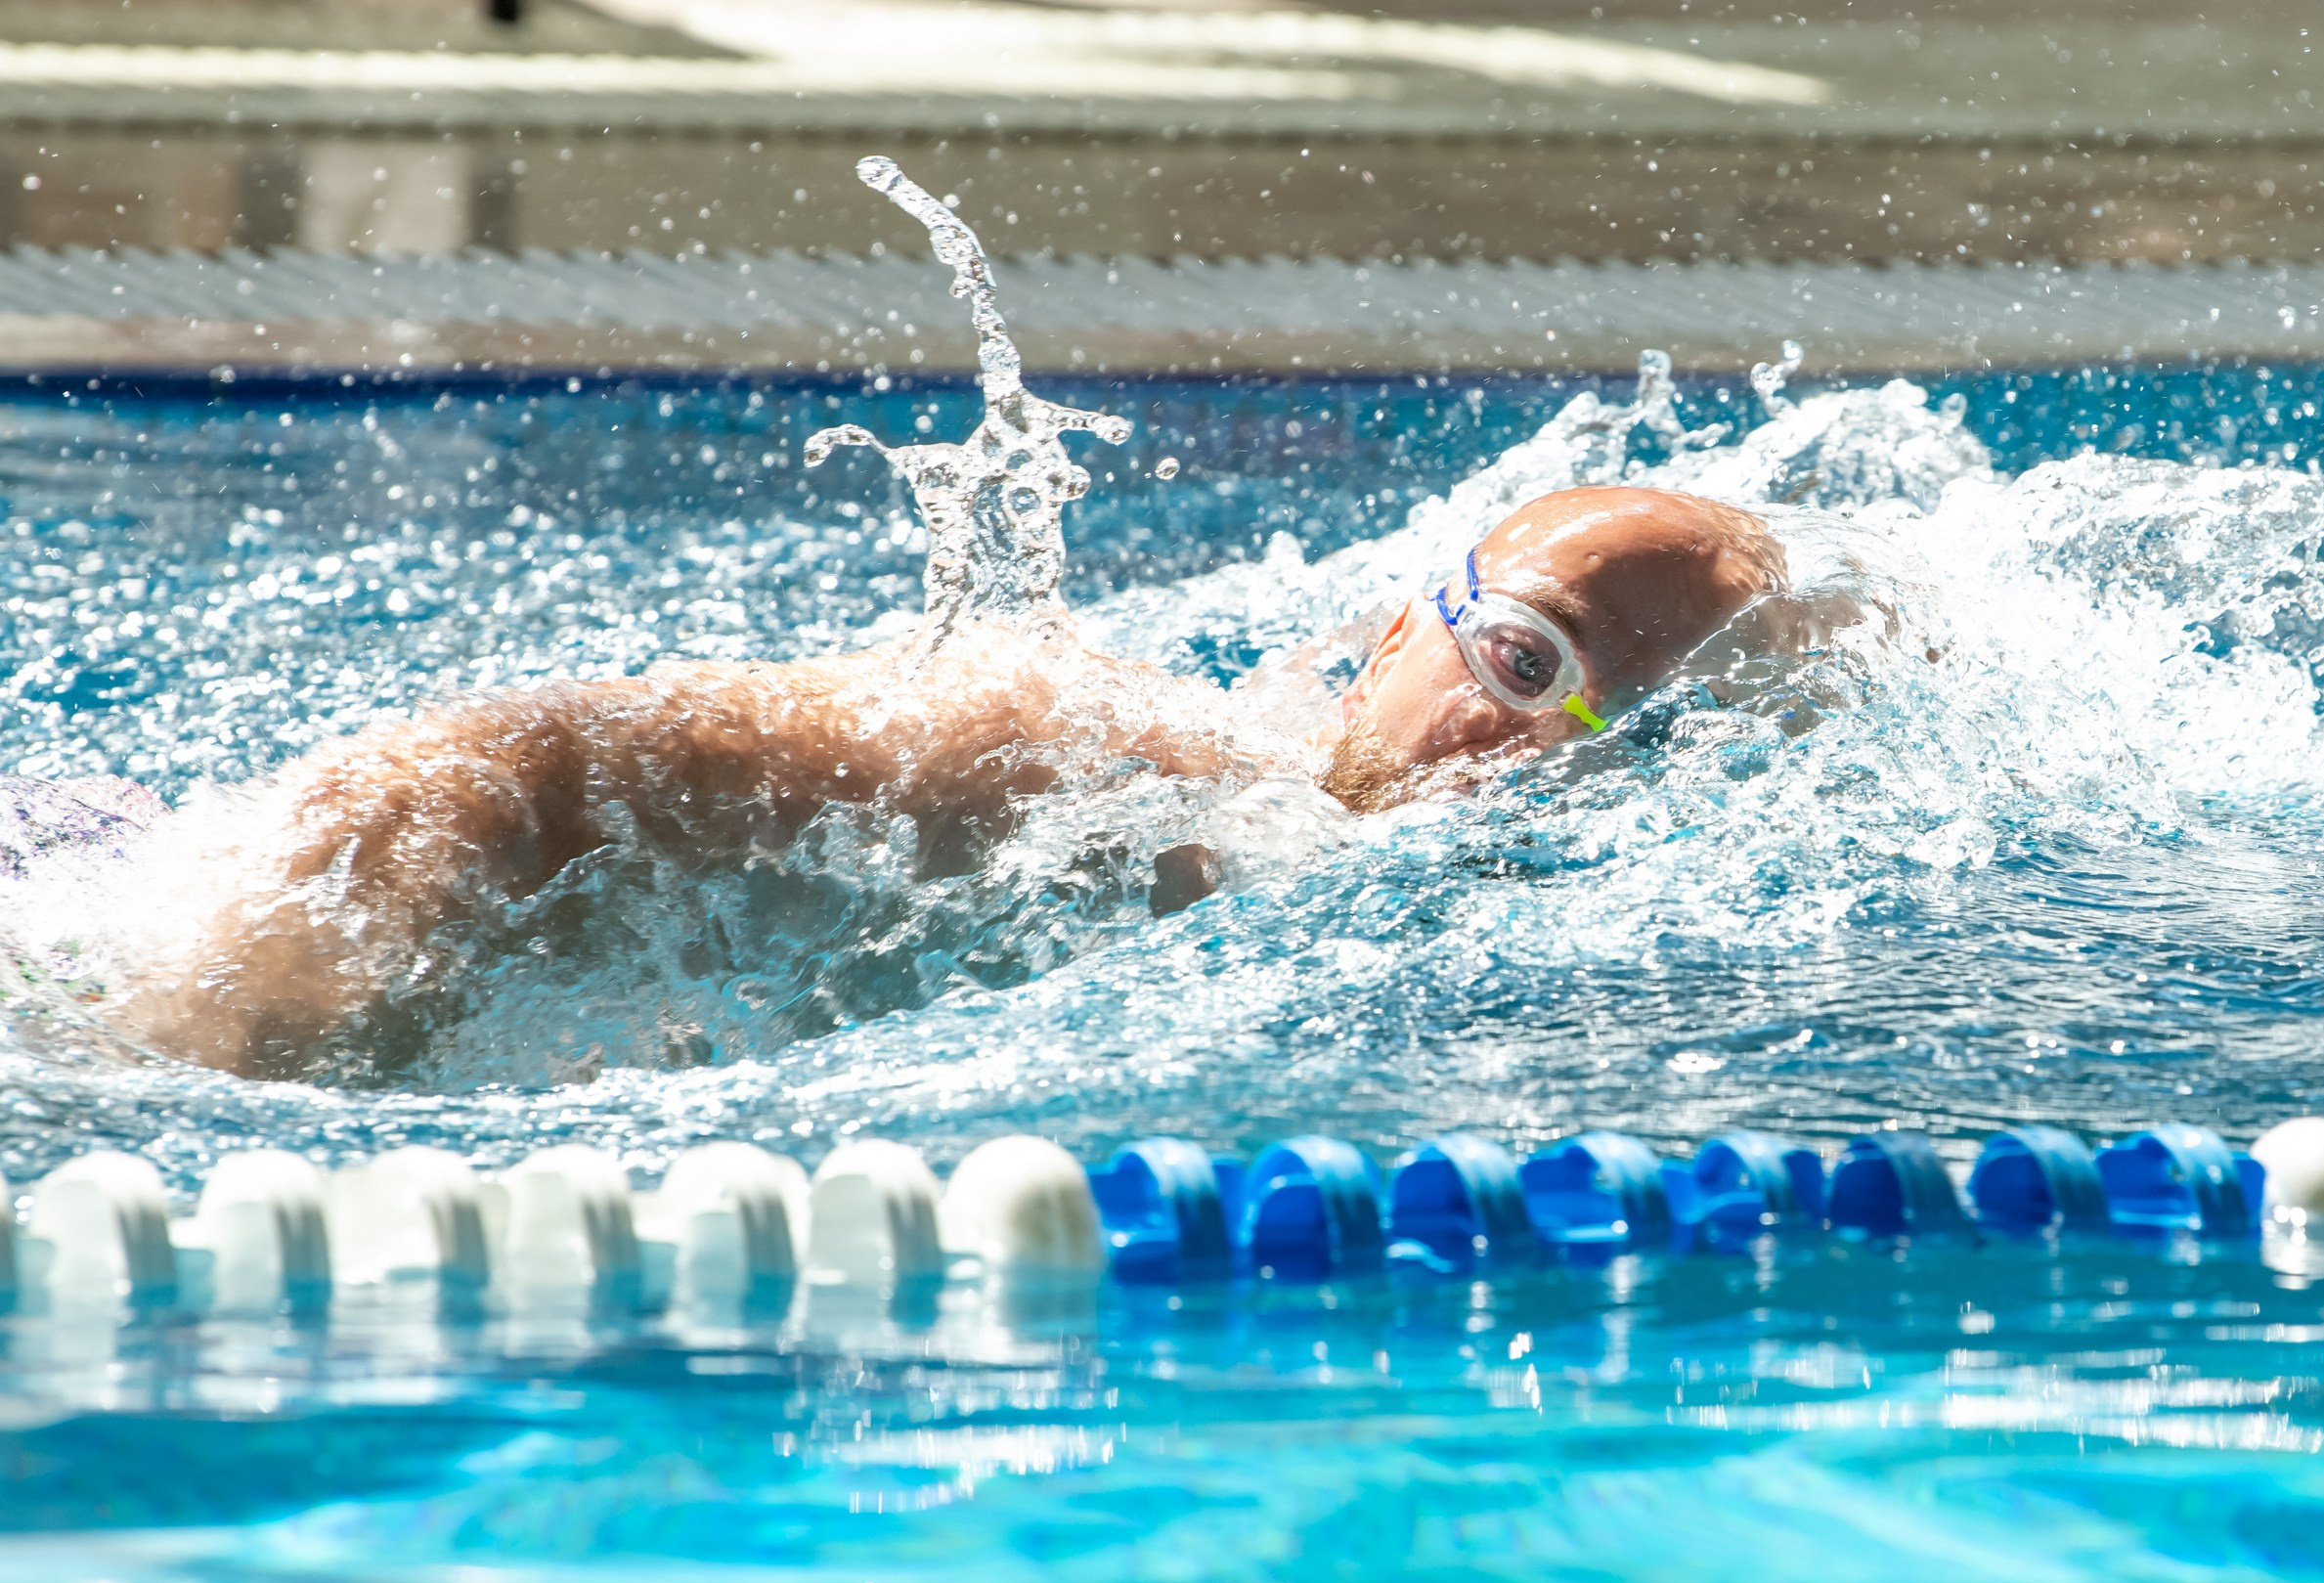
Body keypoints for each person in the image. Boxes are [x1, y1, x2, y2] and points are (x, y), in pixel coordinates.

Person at [104, 484, 1785, 1078]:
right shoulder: (1095, 755)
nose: (1532, 749)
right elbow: (476, 770)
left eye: (1609, 730)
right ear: (1386, 634)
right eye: (1522, 658)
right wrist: (217, 1068)